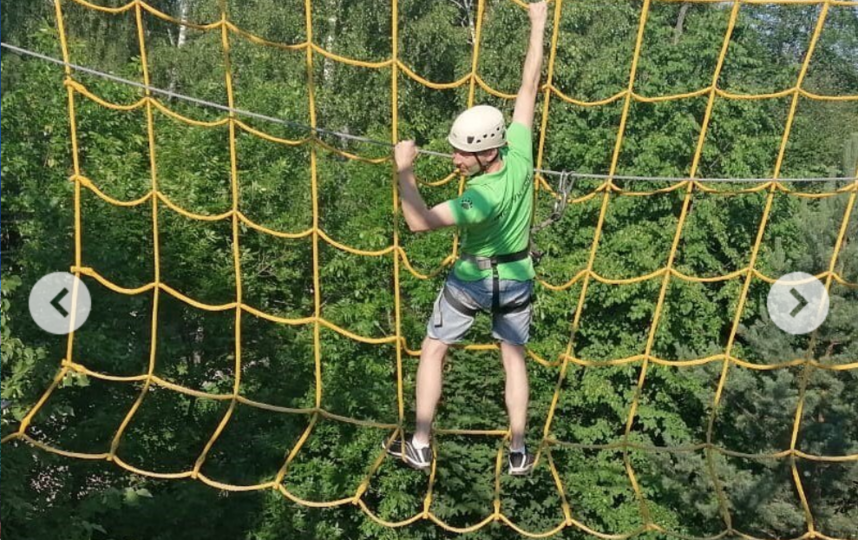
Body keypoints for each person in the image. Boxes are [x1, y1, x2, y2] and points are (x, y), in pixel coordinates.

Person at [385, 1, 548, 476]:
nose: (455, 160)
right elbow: (529, 86)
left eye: (462, 155)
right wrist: (537, 22)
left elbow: (418, 222)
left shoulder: (480, 199)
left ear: (485, 152)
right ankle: (518, 450)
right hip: (518, 276)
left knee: (433, 349)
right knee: (513, 358)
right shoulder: (519, 150)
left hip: (475, 277)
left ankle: (419, 442)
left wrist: (404, 170)